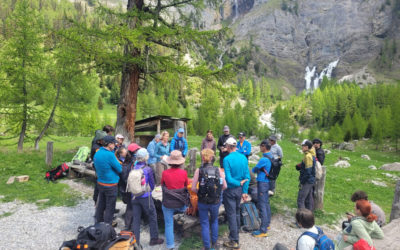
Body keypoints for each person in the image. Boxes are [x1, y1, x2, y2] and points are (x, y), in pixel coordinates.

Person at [192, 149, 227, 250]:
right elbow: (225, 186)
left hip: (202, 201)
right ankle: (215, 244)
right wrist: (218, 192)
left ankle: (207, 246)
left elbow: (193, 188)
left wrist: (200, 191)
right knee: (214, 221)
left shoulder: (199, 170)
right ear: (212, 158)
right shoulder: (218, 170)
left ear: (202, 158)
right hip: (215, 201)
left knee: (204, 223)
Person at [130, 148, 164, 247]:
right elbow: (152, 185)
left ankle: (136, 242)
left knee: (136, 218)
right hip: (145, 197)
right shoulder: (148, 169)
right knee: (152, 216)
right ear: (145, 157)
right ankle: (154, 239)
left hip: (134, 196)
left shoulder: (134, 167)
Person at [222, 137, 250, 249]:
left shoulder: (227, 159)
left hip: (230, 190)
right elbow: (247, 176)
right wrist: (244, 191)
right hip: (240, 190)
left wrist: (238, 183)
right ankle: (236, 234)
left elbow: (228, 179)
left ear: (228, 147)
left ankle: (234, 240)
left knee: (232, 215)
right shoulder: (243, 157)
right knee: (237, 212)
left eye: (226, 146)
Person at [161, 150, 189, 250]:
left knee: (168, 224)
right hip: (181, 204)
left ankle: (170, 246)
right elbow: (186, 186)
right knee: (185, 204)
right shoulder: (184, 173)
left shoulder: (165, 173)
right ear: (180, 162)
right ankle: (181, 215)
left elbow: (162, 185)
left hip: (168, 203)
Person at [93, 135, 122, 224]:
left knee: (101, 204)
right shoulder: (110, 155)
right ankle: (107, 226)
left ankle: (98, 222)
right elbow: (120, 169)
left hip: (100, 183)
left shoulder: (97, 152)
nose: (115, 145)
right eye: (114, 143)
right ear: (109, 144)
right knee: (110, 206)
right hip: (110, 184)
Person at [251, 140, 272, 238]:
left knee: (262, 205)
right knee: (266, 203)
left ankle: (263, 230)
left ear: (264, 147)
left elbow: (255, 169)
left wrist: (249, 170)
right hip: (267, 182)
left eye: (261, 146)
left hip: (262, 182)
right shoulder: (271, 156)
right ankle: (267, 224)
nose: (260, 147)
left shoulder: (264, 159)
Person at [295, 140, 316, 211]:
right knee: (308, 200)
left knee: (300, 200)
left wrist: (302, 182)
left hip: (307, 181)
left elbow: (308, 171)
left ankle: (301, 219)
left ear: (306, 147)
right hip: (311, 181)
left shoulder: (308, 156)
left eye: (303, 146)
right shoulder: (311, 154)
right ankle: (309, 218)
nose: (302, 147)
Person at [91, 130, 107, 205]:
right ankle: (97, 202)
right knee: (99, 185)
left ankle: (106, 206)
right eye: (104, 140)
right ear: (99, 140)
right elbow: (102, 157)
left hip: (101, 168)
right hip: (99, 168)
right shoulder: (96, 147)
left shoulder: (100, 146)